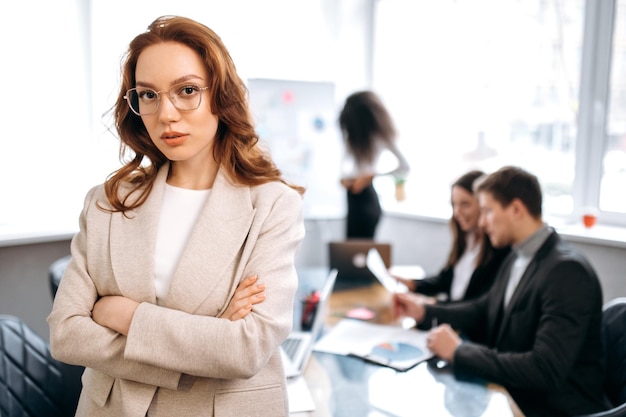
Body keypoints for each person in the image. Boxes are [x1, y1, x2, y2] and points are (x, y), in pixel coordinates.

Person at [47, 15, 305, 417]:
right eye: (148, 95)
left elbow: (246, 349)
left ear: (221, 94)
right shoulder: (107, 201)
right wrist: (208, 336)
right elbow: (66, 335)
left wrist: (125, 315)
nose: (166, 113)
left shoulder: (272, 204)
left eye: (186, 90)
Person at [392, 166, 609, 417]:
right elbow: (484, 308)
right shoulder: (517, 256)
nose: (482, 223)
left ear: (516, 209)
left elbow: (545, 368)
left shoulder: (567, 271)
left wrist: (460, 352)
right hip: (516, 395)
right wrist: (425, 311)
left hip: (552, 408)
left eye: (487, 211)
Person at [395, 170, 510, 304]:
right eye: (454, 204)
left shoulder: (498, 248)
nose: (457, 213)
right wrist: (411, 284)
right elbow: (445, 279)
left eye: (465, 204)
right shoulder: (466, 238)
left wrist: (430, 305)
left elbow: (478, 306)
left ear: (482, 204)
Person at [338, 90, 410, 239]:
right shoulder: (353, 139)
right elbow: (345, 168)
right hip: (352, 197)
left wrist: (371, 176)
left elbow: (404, 166)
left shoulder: (380, 137)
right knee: (349, 247)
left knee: (362, 246)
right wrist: (346, 179)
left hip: (368, 199)